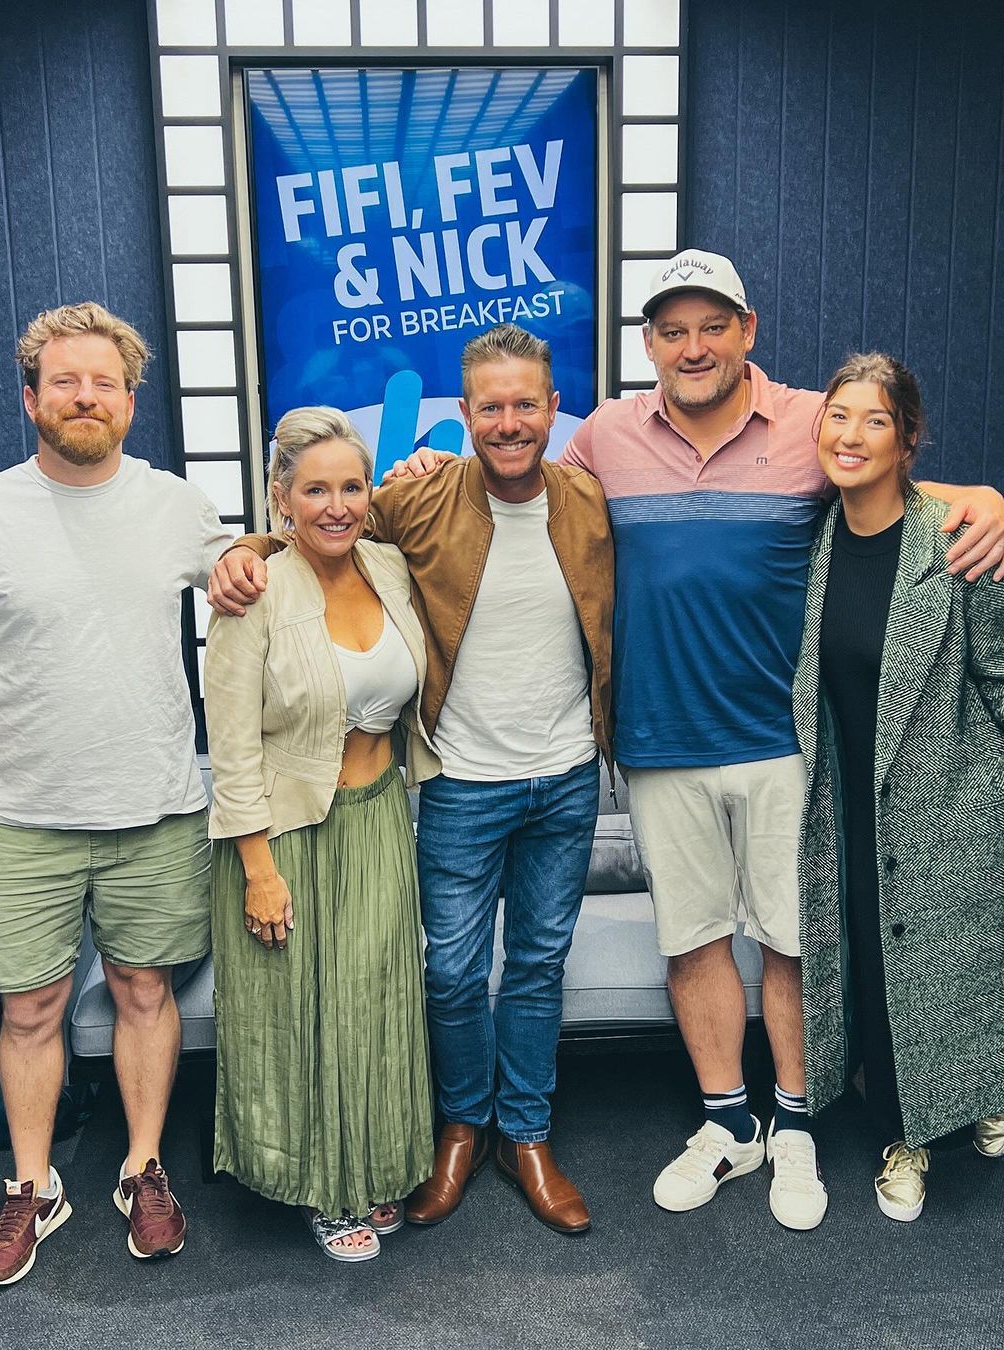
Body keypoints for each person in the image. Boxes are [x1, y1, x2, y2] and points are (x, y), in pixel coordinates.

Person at [375, 251, 1004, 1231]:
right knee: (694, 939)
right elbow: (461, 494)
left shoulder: (808, 422)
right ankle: (727, 1122)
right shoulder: (607, 437)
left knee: (792, 942)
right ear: (650, 345)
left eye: (714, 326)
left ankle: (795, 1123)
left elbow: (888, 466)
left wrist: (990, 499)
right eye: (674, 330)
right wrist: (412, 473)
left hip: (784, 740)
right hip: (658, 740)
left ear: (748, 331)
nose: (694, 346)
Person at [209, 325, 614, 1234]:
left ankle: (527, 1135)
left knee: (539, 965)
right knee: (454, 972)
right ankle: (461, 1129)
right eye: (490, 406)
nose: (509, 422)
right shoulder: (421, 501)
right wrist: (241, 550)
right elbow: (321, 527)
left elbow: (339, 520)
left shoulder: (591, 498)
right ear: (464, 413)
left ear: (553, 409)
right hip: (462, 781)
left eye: (526, 404)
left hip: (566, 778)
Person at [0, 303, 233, 1284]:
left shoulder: (178, 507)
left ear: (131, 402)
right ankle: (32, 1187)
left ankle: (143, 1168)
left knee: (146, 992)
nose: (86, 396)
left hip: (158, 808)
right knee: (28, 1011)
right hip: (22, 820)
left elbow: (252, 584)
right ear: (31, 398)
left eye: (105, 382)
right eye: (65, 381)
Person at [202, 406, 439, 1262]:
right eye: (314, 491)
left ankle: (370, 1167)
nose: (336, 506)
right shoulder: (254, 592)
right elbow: (231, 747)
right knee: (295, 1014)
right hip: (285, 833)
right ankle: (318, 1187)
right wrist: (257, 870)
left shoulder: (390, 565)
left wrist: (426, 474)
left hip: (378, 819)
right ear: (282, 498)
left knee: (375, 1003)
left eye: (351, 487)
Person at [794, 352, 1004, 1222]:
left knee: (954, 968)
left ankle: (943, 1117)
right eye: (839, 415)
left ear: (908, 440)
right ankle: (903, 1131)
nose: (851, 435)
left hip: (951, 800)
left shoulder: (957, 538)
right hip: (849, 801)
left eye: (875, 420)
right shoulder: (814, 537)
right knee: (876, 971)